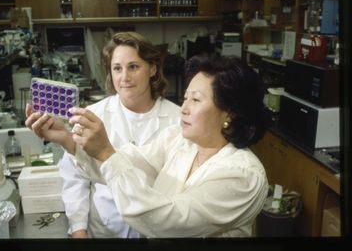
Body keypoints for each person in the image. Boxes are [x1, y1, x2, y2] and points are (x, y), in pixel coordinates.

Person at [65, 55, 270, 237]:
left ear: (229, 112)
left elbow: (167, 222)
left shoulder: (242, 175)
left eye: (196, 100)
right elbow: (132, 163)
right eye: (185, 98)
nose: (184, 109)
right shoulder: (181, 141)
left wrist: (105, 152)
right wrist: (65, 139)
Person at [25, 32, 181, 238]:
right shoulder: (94, 115)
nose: (124, 77)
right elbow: (75, 179)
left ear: (152, 69)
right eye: (117, 68)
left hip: (157, 233)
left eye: (133, 67)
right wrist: (78, 230)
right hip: (105, 231)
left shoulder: (178, 119)